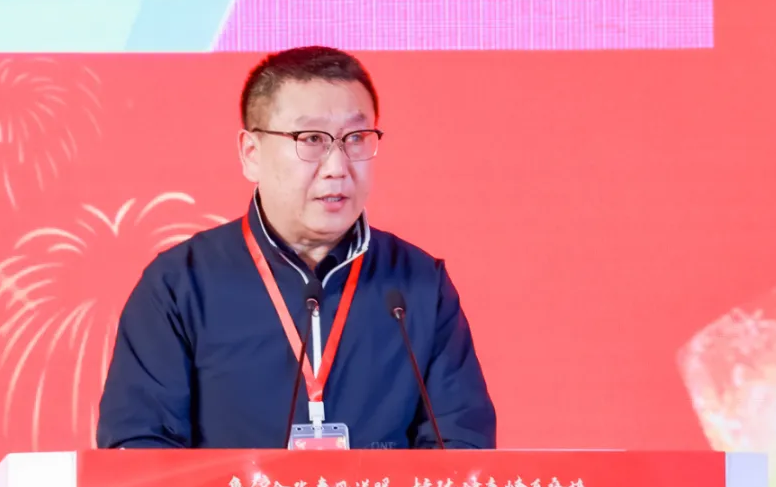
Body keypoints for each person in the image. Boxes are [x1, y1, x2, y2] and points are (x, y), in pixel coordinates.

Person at [96, 46, 496, 449]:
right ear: (251, 153)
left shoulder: (420, 285)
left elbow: (461, 447)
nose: (337, 167)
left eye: (356, 138)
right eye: (312, 139)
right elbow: (139, 449)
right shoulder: (180, 285)